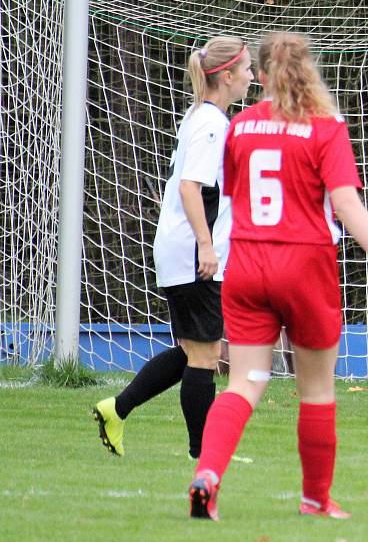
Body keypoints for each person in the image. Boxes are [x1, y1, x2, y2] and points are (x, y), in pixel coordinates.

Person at [187, 32, 368, 521]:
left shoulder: (242, 125)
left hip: (248, 264)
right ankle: (315, 498)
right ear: (307, 70)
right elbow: (346, 204)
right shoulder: (326, 126)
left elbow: (234, 197)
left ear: (264, 75)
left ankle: (207, 475)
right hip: (304, 264)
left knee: (244, 383)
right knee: (315, 390)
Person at [92, 37, 254, 458]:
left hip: (180, 250)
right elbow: (189, 187)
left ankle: (117, 408)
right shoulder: (212, 124)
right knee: (205, 357)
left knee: (193, 352)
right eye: (248, 70)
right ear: (228, 76)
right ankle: (205, 454)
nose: (252, 77)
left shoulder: (201, 116)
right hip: (191, 253)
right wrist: (206, 245)